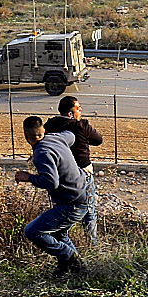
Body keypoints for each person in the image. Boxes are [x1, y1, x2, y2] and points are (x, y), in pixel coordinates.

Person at [16, 116, 89, 277]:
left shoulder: (42, 152)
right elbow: (71, 136)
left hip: (71, 203)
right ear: (42, 131)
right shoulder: (55, 137)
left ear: (26, 137)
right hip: (82, 195)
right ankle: (79, 270)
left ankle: (68, 257)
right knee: (59, 233)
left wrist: (27, 177)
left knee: (32, 231)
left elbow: (51, 181)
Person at [44, 96, 103, 246]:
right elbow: (98, 140)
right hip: (83, 173)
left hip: (60, 173)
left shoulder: (50, 125)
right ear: (70, 114)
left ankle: (60, 236)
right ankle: (92, 244)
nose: (81, 110)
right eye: (78, 108)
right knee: (88, 209)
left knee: (63, 206)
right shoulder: (80, 125)